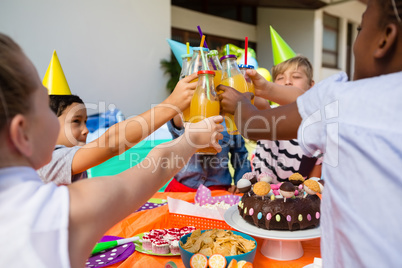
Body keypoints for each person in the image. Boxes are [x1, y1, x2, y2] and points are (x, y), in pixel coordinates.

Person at [0, 33, 224, 267]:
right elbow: (119, 147)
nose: (85, 130)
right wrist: (184, 125)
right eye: (43, 105)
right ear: (21, 133)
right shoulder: (52, 215)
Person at [218, 0, 402, 266]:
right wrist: (264, 92)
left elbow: (253, 124)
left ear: (384, 39)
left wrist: (240, 104)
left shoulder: (340, 98)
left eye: (360, 28)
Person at [38, 69, 199, 185]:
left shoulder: (70, 163)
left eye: (85, 122)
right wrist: (172, 104)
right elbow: (111, 142)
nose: (86, 130)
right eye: (76, 121)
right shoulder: (47, 162)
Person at [252, 56, 322, 182]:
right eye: (280, 78)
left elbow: (315, 174)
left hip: (298, 196)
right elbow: (260, 104)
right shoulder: (269, 111)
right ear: (273, 85)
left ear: (311, 85)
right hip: (261, 194)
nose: (287, 82)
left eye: (296, 76)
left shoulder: (316, 122)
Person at [165, 114, 251, 193]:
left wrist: (241, 182)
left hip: (219, 191)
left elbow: (241, 158)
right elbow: (175, 126)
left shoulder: (230, 121)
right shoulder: (185, 116)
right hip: (182, 189)